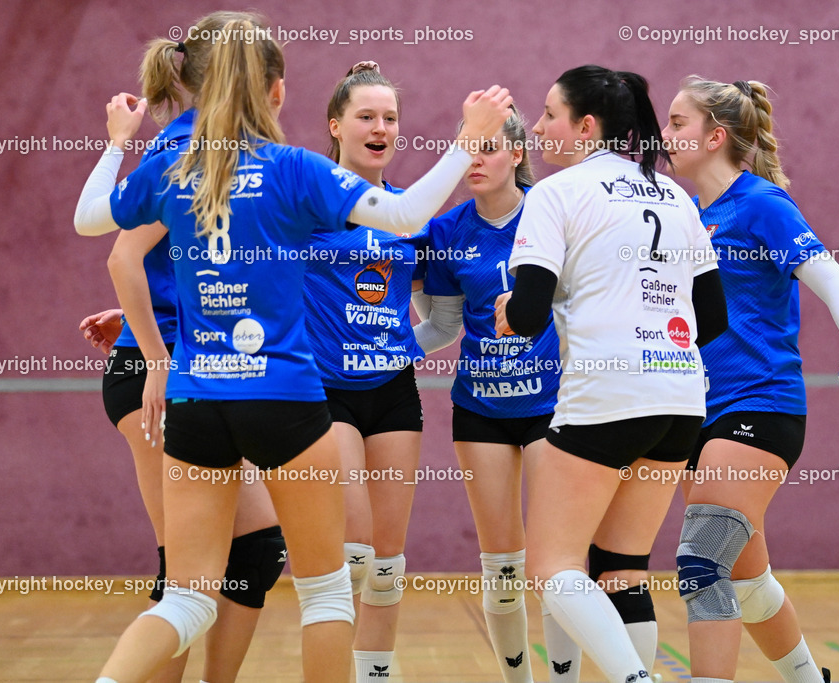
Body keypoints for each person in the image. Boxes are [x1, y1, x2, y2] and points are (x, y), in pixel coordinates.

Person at [73, 10, 512, 682]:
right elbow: (402, 215)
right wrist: (466, 140)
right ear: (275, 93)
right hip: (283, 397)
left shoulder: (171, 167)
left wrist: (114, 142)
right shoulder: (292, 169)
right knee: (327, 591)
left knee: (187, 594)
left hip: (194, 395)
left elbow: (88, 219)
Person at [493, 65, 728, 683]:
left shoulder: (556, 193)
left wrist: (509, 312)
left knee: (553, 566)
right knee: (622, 567)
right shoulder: (676, 196)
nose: (540, 128)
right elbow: (713, 316)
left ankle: (635, 679)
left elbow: (528, 311)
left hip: (606, 396)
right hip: (680, 397)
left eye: (549, 114)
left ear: (586, 126)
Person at [75, 26, 289, 680]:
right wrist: (155, 349)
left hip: (182, 365)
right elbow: (113, 244)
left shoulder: (229, 147)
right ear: (257, 84)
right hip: (159, 376)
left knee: (249, 550)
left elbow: (195, 258)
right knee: (188, 574)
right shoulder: (187, 141)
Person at [661, 76, 839, 683]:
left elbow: (831, 276)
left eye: (678, 124)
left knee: (701, 562)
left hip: (758, 407)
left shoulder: (761, 204)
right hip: (696, 415)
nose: (665, 134)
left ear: (715, 136)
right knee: (748, 581)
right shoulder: (685, 215)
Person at [418, 105, 570, 683]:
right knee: (502, 569)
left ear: (516, 153)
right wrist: (389, 350)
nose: (473, 159)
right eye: (466, 148)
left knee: (555, 567)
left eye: (486, 147)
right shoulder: (450, 229)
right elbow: (442, 326)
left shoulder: (551, 213)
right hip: (480, 409)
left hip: (552, 408)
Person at [302, 61, 427, 682]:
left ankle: (377, 673)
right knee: (351, 549)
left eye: (390, 118)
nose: (380, 127)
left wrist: (410, 345)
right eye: (366, 116)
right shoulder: (306, 204)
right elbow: (246, 280)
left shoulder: (412, 212)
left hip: (395, 391)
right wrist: (146, 321)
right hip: (328, 392)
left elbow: (449, 308)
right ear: (336, 125)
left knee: (387, 560)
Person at [78, 309, 284, 683]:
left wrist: (134, 313)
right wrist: (155, 357)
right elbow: (122, 257)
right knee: (182, 575)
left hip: (200, 364)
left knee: (257, 550)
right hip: (164, 371)